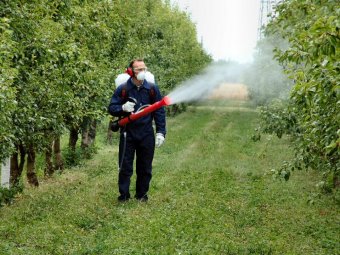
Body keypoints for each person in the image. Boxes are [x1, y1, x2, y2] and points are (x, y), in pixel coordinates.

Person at [108, 59, 166, 202]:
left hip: (146, 133)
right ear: (131, 71)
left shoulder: (152, 89)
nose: (142, 72)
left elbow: (159, 111)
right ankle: (124, 195)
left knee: (145, 167)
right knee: (125, 166)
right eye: (138, 69)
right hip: (128, 133)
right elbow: (111, 107)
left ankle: (141, 195)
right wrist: (122, 108)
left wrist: (160, 132)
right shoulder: (123, 89)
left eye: (144, 69)